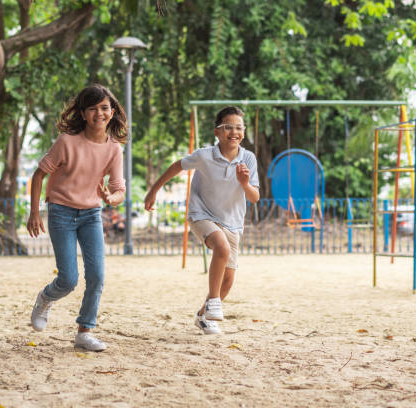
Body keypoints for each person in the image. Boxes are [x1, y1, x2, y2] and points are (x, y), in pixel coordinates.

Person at [27, 84, 127, 351]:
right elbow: (39, 175)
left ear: (112, 111)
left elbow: (119, 190)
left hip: (91, 215)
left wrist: (110, 198)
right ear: (83, 114)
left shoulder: (114, 149)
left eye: (104, 107)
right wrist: (34, 212)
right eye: (92, 108)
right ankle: (45, 299)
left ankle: (85, 331)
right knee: (68, 279)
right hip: (60, 211)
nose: (99, 113)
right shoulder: (66, 142)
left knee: (97, 276)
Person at [144, 106, 260, 335]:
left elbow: (254, 197)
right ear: (217, 132)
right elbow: (177, 166)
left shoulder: (248, 158)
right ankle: (214, 302)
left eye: (239, 127)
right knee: (221, 247)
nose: (234, 132)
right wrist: (153, 190)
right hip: (202, 214)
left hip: (232, 222)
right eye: (228, 127)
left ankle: (202, 315)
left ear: (244, 132)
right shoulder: (205, 155)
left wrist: (245, 183)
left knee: (227, 281)